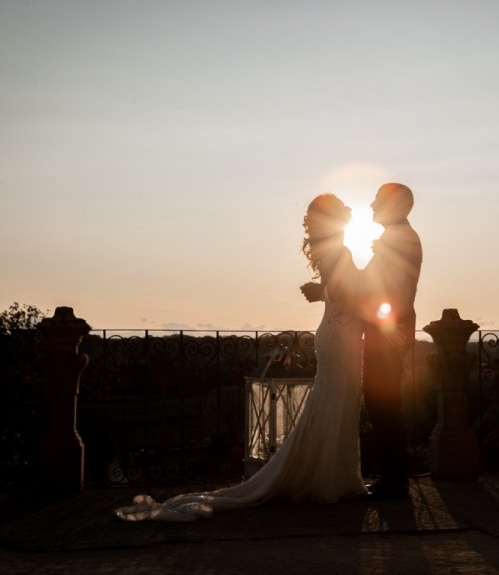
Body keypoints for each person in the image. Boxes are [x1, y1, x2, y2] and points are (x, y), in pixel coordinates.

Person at [115, 194, 367, 521]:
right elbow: (347, 293)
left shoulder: (330, 252)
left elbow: (334, 291)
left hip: (335, 333)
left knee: (331, 405)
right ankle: (330, 481)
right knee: (336, 405)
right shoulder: (341, 252)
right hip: (342, 336)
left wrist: (326, 291)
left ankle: (331, 478)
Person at [358, 183, 422, 499]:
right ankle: (393, 478)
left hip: (387, 335)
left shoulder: (399, 241)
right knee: (383, 405)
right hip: (389, 333)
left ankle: (395, 481)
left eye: (378, 200)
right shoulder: (398, 238)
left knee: (383, 405)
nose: (371, 204)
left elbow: (381, 289)